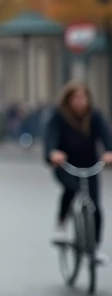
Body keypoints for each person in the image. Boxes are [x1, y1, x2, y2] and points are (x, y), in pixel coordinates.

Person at [44, 80, 112, 261]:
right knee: (72, 189)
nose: (79, 102)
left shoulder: (94, 116)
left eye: (83, 98)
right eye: (75, 98)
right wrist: (53, 153)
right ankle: (61, 224)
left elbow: (106, 136)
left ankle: (94, 247)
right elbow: (50, 137)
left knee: (96, 207)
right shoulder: (59, 116)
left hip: (89, 165)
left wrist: (108, 152)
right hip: (66, 165)